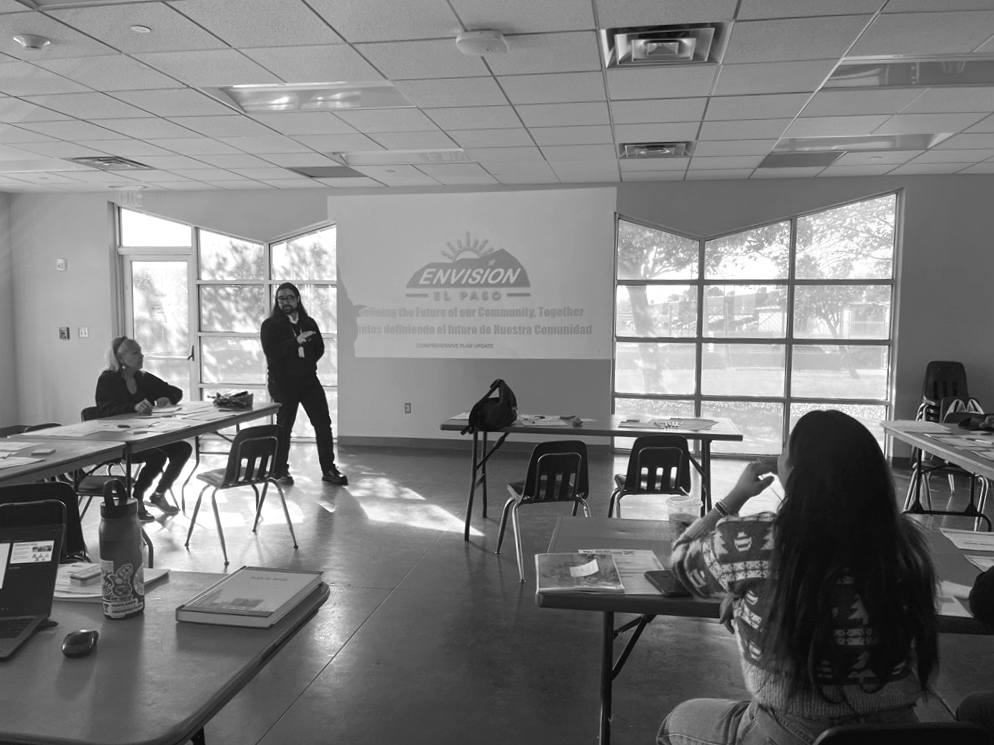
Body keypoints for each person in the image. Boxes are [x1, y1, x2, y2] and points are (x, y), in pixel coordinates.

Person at [659, 410, 939, 745]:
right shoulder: (904, 544)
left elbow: (681, 561)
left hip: (790, 731)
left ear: (796, 472)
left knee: (677, 722)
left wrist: (733, 499)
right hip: (897, 731)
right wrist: (748, 598)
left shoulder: (754, 540)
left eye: (784, 451)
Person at [95, 336, 191, 521]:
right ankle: (136, 499)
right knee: (157, 455)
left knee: (183, 448)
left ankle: (158, 494)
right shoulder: (108, 379)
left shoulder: (142, 377)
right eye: (135, 352)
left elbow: (175, 391)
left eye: (140, 351)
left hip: (145, 436)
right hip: (119, 441)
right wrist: (133, 407)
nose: (141, 355)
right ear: (120, 358)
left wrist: (166, 398)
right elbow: (106, 410)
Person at [260, 282, 347, 486]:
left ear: (298, 299)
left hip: (308, 380)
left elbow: (319, 348)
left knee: (323, 423)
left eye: (290, 297)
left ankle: (328, 469)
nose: (285, 302)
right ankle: (280, 470)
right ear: (277, 301)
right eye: (281, 298)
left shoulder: (308, 322)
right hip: (282, 383)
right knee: (284, 427)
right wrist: (296, 342)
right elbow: (271, 353)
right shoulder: (270, 325)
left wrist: (306, 362)